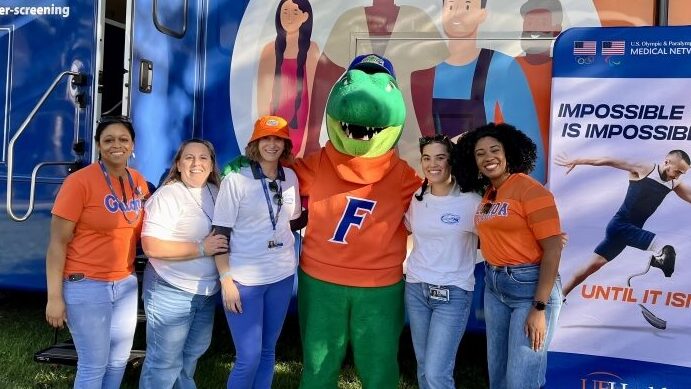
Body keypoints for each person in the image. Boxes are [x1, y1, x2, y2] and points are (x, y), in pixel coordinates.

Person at [454, 122, 562, 389]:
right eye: (479, 153)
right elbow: (499, 236)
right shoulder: (489, 194)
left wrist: (540, 307)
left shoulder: (530, 189)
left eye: (494, 150)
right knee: (498, 373)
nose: (488, 157)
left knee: (521, 378)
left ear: (509, 152)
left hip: (531, 288)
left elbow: (552, 249)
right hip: (495, 286)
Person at [45, 115, 149, 389]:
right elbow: (57, 244)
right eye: (109, 140)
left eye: (123, 139)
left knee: (117, 362)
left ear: (132, 145)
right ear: (99, 146)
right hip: (85, 284)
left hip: (125, 283)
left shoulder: (138, 182)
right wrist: (54, 298)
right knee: (94, 364)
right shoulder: (79, 182)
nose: (117, 145)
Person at [212, 115, 301, 389]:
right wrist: (226, 281)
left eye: (278, 139)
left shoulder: (291, 178)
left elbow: (293, 220)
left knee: (267, 352)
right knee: (248, 357)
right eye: (266, 138)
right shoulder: (236, 181)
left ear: (285, 144)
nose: (272, 145)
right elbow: (220, 236)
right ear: (255, 142)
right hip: (244, 280)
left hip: (282, 276)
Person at [411, 0, 545, 182]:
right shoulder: (423, 78)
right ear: (441, 14)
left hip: (487, 190)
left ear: (483, 14)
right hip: (443, 190)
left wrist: (524, 196)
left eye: (467, 6)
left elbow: (528, 144)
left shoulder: (502, 67)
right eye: (451, 6)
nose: (458, 14)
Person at [138, 139, 228, 388]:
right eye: (188, 157)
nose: (196, 163)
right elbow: (151, 246)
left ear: (211, 165)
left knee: (190, 357)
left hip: (206, 292)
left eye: (203, 158)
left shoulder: (216, 192)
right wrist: (201, 247)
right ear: (178, 164)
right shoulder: (168, 195)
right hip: (170, 289)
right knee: (163, 363)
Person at [555, 150, 691, 296]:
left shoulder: (673, 183)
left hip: (627, 232)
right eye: (677, 171)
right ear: (667, 162)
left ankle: (560, 297)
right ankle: (654, 261)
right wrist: (577, 160)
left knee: (592, 266)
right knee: (666, 249)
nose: (678, 176)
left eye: (682, 173)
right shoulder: (645, 169)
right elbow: (608, 159)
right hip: (620, 226)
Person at [404, 134, 480, 389]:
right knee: (424, 369)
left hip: (453, 292)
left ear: (451, 161)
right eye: (426, 158)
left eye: (440, 157)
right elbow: (404, 231)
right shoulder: (417, 198)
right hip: (416, 289)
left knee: (437, 373)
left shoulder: (471, 201)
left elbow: (494, 240)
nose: (432, 164)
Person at [256, 0, 319, 157]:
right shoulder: (270, 50)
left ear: (305, 16)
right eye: (285, 12)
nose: (289, 17)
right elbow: (263, 98)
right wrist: (264, 134)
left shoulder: (312, 50)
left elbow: (314, 95)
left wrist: (308, 139)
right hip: (274, 125)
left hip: (301, 121)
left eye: (294, 12)